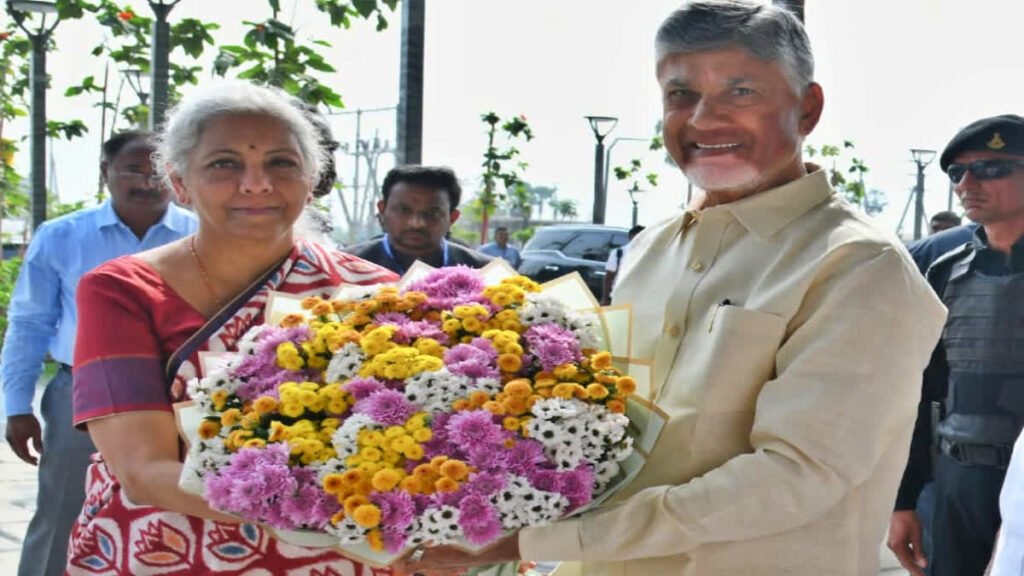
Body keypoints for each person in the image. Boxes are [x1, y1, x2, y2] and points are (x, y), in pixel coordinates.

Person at [394, 2, 946, 575]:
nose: (704, 120)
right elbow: (601, 430)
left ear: (807, 108)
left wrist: (537, 540)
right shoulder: (650, 248)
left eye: (741, 92)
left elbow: (795, 477)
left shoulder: (859, 265)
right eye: (680, 95)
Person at [66, 80, 398, 575]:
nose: (256, 183)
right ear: (179, 183)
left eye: (281, 163)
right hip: (169, 549)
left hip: (344, 557)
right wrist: (330, 512)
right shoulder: (123, 291)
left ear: (311, 180)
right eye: (225, 164)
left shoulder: (377, 293)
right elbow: (144, 471)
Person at [0, 131, 196, 576]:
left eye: (156, 171)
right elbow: (29, 324)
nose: (146, 181)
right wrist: (17, 406)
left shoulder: (201, 234)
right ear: (105, 173)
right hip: (84, 392)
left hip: (182, 394)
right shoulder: (63, 236)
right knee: (63, 509)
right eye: (132, 170)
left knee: (174, 511)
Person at [889, 114, 1024, 576]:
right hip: (958, 481)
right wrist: (904, 499)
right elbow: (915, 392)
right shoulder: (941, 271)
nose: (967, 183)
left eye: (990, 168)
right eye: (957, 173)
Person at [344, 165, 492, 274]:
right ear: (382, 210)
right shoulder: (344, 268)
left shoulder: (486, 272)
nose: (417, 223)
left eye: (432, 213)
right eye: (403, 210)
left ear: (452, 218)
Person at [600, 224, 644, 305]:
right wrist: (605, 298)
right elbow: (609, 277)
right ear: (631, 237)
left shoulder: (649, 255)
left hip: (641, 297)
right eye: (638, 236)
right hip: (620, 296)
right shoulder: (618, 253)